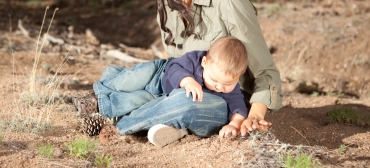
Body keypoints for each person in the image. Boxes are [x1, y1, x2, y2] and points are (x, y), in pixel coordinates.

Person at [83, 0, 281, 144]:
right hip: (182, 83)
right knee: (120, 74)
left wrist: (255, 115)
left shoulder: (229, 2)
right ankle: (166, 121)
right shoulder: (169, 5)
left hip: (224, 102)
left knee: (183, 103)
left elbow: (266, 72)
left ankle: (118, 124)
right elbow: (172, 63)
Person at [75, 36, 249, 147]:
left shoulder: (231, 88)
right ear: (205, 62)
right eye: (215, 80)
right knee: (130, 79)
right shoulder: (194, 59)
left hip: (157, 98)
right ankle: (97, 92)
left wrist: (234, 124)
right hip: (158, 76)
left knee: (132, 101)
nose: (219, 87)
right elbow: (174, 67)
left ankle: (105, 109)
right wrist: (187, 80)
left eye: (227, 84)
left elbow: (238, 108)